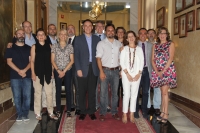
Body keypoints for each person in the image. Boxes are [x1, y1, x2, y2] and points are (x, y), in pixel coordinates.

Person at [7, 21, 37, 111]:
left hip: (32, 66)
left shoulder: (36, 37)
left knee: (30, 89)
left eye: (29, 26)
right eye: (25, 26)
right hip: (18, 71)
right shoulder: (13, 43)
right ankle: (20, 112)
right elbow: (9, 60)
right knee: (18, 93)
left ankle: (29, 107)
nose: (28, 28)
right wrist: (20, 71)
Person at [74, 19, 100, 121]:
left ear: (92, 27)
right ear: (83, 27)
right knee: (82, 91)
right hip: (82, 68)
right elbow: (76, 55)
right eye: (86, 25)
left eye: (90, 25)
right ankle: (83, 111)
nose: (88, 27)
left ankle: (91, 111)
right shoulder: (78, 39)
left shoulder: (97, 39)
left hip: (94, 68)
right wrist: (78, 69)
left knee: (92, 91)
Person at [151, 27, 177, 123]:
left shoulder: (171, 44)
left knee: (165, 92)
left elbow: (171, 58)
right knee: (162, 92)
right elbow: (152, 60)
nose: (162, 35)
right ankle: (162, 112)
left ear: (167, 34)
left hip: (167, 70)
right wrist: (157, 70)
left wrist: (163, 71)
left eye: (164, 33)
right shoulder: (155, 45)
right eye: (160, 33)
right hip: (157, 71)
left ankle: (166, 113)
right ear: (158, 35)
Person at [96, 23, 122, 121]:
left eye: (112, 30)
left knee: (115, 93)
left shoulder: (119, 44)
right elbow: (98, 58)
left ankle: (114, 112)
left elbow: (121, 59)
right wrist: (101, 72)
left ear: (114, 32)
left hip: (115, 71)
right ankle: (102, 112)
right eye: (108, 30)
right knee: (103, 93)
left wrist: (121, 70)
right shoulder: (101, 43)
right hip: (105, 70)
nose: (110, 32)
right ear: (105, 32)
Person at [5, 29, 31, 121]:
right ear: (15, 36)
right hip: (15, 76)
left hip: (27, 75)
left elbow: (31, 61)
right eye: (19, 33)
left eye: (23, 34)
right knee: (17, 96)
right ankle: (19, 114)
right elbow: (9, 61)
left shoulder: (29, 48)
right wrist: (19, 71)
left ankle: (25, 114)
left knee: (27, 96)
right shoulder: (10, 48)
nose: (21, 35)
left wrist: (24, 70)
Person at [31, 28, 57, 120]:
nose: (41, 36)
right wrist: (33, 73)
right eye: (39, 35)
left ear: (45, 37)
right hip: (38, 73)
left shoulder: (50, 46)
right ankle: (37, 113)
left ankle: (51, 111)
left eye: (43, 34)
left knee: (49, 93)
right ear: (37, 37)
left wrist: (52, 71)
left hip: (48, 72)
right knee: (37, 93)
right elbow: (32, 61)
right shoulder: (34, 47)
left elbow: (52, 60)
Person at [120, 30, 144, 123]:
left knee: (134, 95)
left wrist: (139, 73)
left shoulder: (139, 49)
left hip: (137, 75)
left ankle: (132, 113)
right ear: (126, 38)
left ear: (135, 37)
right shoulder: (124, 49)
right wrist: (127, 74)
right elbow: (122, 62)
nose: (131, 38)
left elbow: (142, 62)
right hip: (126, 75)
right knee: (126, 94)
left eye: (132, 36)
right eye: (129, 36)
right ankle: (125, 114)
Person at [51, 29, 74, 117]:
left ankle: (68, 109)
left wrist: (64, 71)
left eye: (65, 34)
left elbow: (72, 60)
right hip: (57, 70)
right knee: (58, 90)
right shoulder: (54, 46)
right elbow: (52, 60)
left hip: (67, 70)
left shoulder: (70, 46)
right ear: (58, 35)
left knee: (68, 90)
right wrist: (58, 71)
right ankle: (58, 109)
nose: (63, 36)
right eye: (61, 34)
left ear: (67, 36)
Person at [135, 28, 153, 119]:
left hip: (146, 70)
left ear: (146, 35)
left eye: (144, 33)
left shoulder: (151, 45)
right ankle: (136, 110)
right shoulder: (134, 45)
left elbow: (152, 60)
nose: (143, 35)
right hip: (137, 72)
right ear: (138, 35)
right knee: (136, 92)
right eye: (141, 33)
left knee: (146, 92)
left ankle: (144, 111)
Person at [94, 21, 110, 112]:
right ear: (95, 28)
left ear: (103, 28)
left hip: (106, 65)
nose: (100, 28)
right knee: (95, 87)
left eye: (101, 26)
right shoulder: (91, 37)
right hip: (95, 66)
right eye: (98, 26)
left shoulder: (108, 37)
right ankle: (96, 104)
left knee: (105, 87)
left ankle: (106, 104)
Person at [42, 24, 57, 114]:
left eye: (54, 29)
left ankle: (53, 104)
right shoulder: (44, 40)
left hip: (57, 66)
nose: (52, 30)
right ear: (47, 30)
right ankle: (44, 105)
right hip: (47, 66)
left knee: (53, 87)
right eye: (50, 29)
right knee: (45, 87)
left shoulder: (58, 40)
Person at [147, 29, 161, 115]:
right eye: (149, 33)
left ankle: (157, 106)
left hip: (157, 70)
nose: (151, 35)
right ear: (147, 35)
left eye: (152, 33)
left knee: (157, 89)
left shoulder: (159, 45)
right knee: (147, 89)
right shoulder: (144, 45)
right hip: (147, 69)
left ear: (155, 35)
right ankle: (148, 106)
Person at [67, 24, 80, 115]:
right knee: (69, 87)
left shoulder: (79, 40)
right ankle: (71, 105)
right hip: (67, 68)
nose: (70, 30)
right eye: (69, 29)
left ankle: (79, 106)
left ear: (75, 30)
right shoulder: (63, 40)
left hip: (76, 67)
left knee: (78, 87)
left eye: (72, 28)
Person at [115, 27, 128, 107]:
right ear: (116, 34)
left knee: (125, 88)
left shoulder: (127, 44)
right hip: (116, 68)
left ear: (124, 33)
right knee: (116, 88)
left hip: (126, 69)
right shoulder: (114, 43)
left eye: (122, 32)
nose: (120, 33)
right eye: (118, 32)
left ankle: (125, 105)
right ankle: (115, 105)